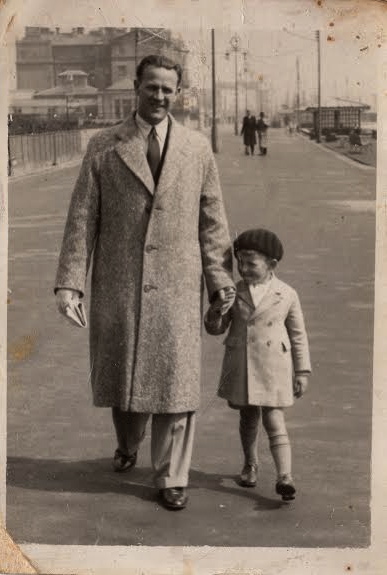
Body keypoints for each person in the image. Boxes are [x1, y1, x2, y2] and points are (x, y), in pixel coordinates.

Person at [54, 54, 236, 511]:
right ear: (136, 87)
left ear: (178, 93)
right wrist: (69, 283)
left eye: (167, 89)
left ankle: (172, 476)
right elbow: (82, 219)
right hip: (120, 284)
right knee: (126, 383)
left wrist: (220, 282)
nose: (159, 96)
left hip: (178, 285)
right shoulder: (103, 145)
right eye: (151, 87)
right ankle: (127, 443)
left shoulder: (196, 148)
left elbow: (212, 221)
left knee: (176, 383)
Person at [204, 229, 311, 501]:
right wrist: (218, 307)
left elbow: (298, 335)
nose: (243, 268)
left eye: (251, 263)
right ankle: (250, 465)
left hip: (274, 367)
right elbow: (215, 329)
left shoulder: (286, 294)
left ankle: (285, 476)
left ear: (272, 265)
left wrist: (302, 371)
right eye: (240, 262)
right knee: (248, 418)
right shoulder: (233, 291)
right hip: (243, 365)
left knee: (274, 419)